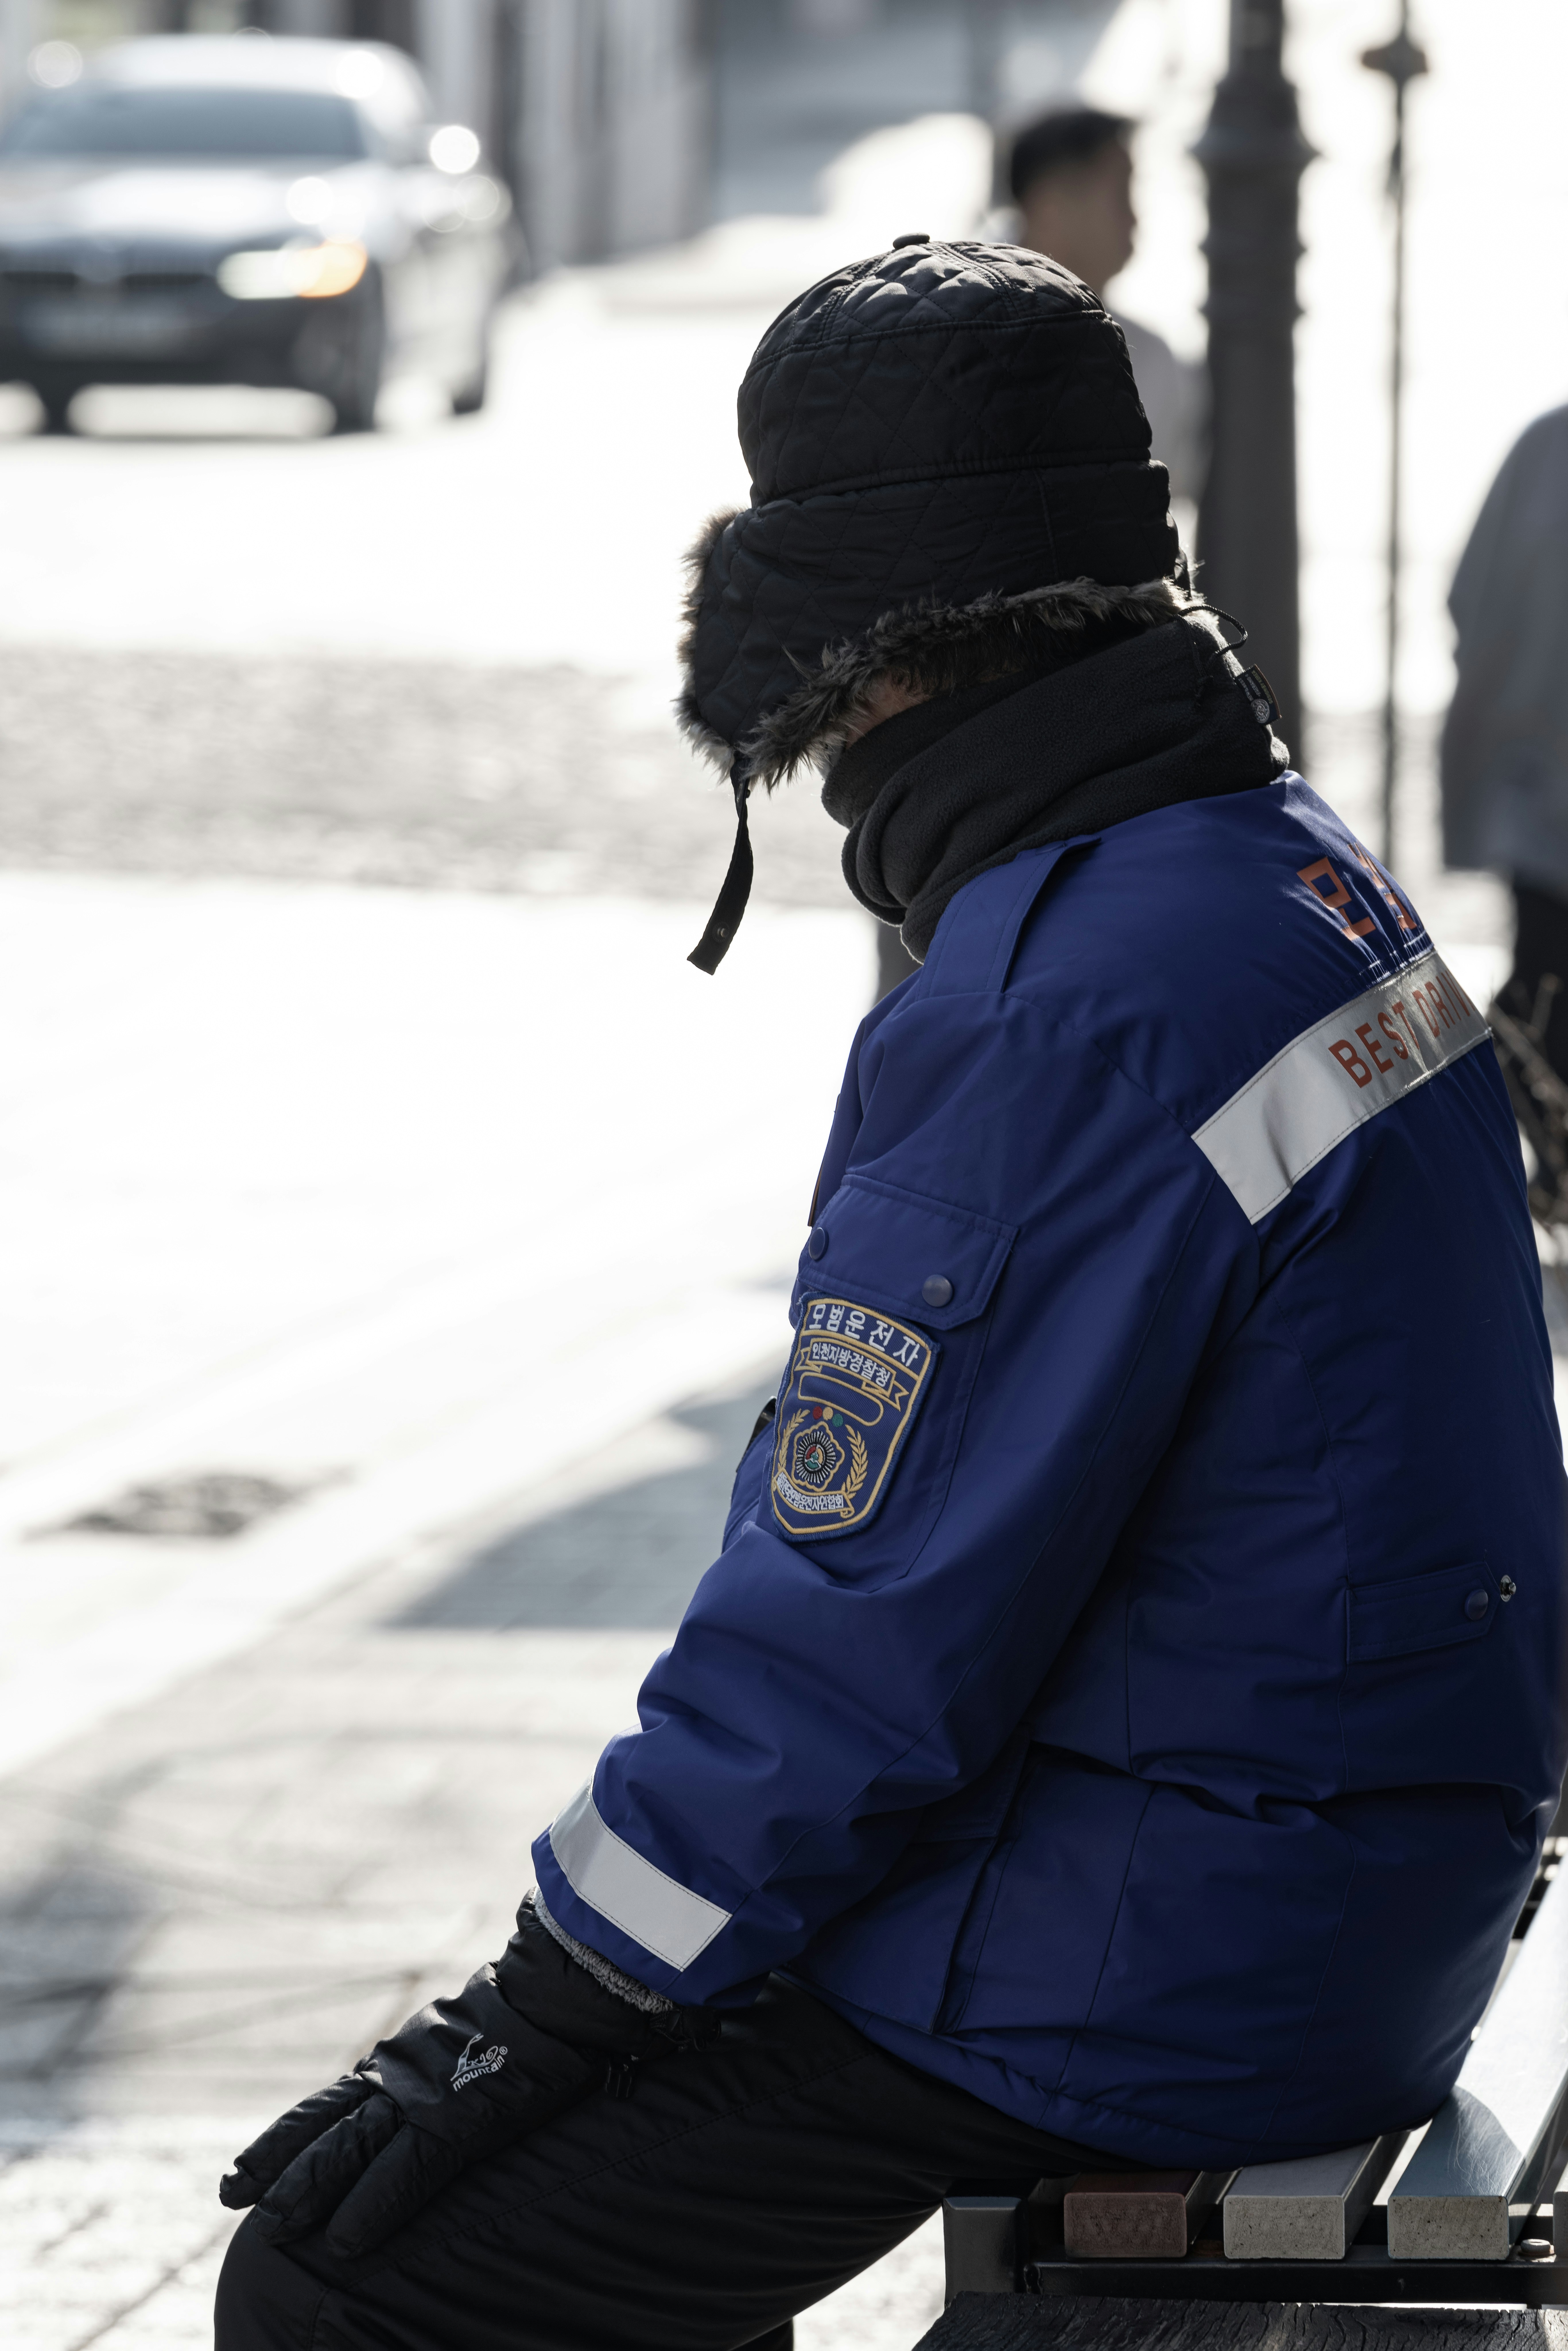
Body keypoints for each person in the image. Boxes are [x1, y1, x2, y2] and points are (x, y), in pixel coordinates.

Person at [216, 240, 1564, 2351]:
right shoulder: (1284, 872)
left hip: (1159, 1961)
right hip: (1339, 1876)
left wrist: (539, 2000)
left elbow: (859, 1640)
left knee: (354, 2282)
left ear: (854, 660)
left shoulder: (1063, 1007)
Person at [1441, 404, 1568, 1081]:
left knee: (1541, 1025)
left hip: (1544, 799)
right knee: (1541, 1019)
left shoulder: (1548, 447)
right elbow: (1478, 612)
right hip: (1546, 807)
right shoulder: (1547, 446)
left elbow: (1475, 610)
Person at [1009, 104, 1206, 507]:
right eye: (1121, 194)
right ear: (1050, 207)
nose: (1136, 219)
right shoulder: (962, 333)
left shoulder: (1148, 353)